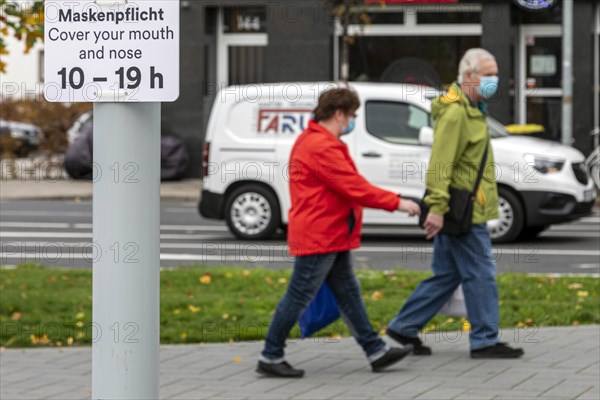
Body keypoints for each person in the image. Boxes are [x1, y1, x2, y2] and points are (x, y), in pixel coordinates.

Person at [257, 87, 421, 378]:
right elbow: (355, 187)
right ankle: (270, 354)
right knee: (298, 296)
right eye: (352, 115)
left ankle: (376, 351)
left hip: (331, 234)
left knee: (348, 294)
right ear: (339, 114)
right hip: (320, 236)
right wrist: (399, 203)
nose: (353, 121)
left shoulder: (318, 141)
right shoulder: (321, 146)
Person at [386, 49, 524, 359]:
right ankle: (485, 340)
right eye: (488, 75)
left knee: (447, 276)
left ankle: (403, 328)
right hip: (463, 210)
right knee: (481, 274)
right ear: (469, 77)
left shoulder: (472, 108)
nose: (494, 80)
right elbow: (440, 163)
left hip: (464, 207)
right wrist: (436, 206)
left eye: (495, 74)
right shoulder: (455, 112)